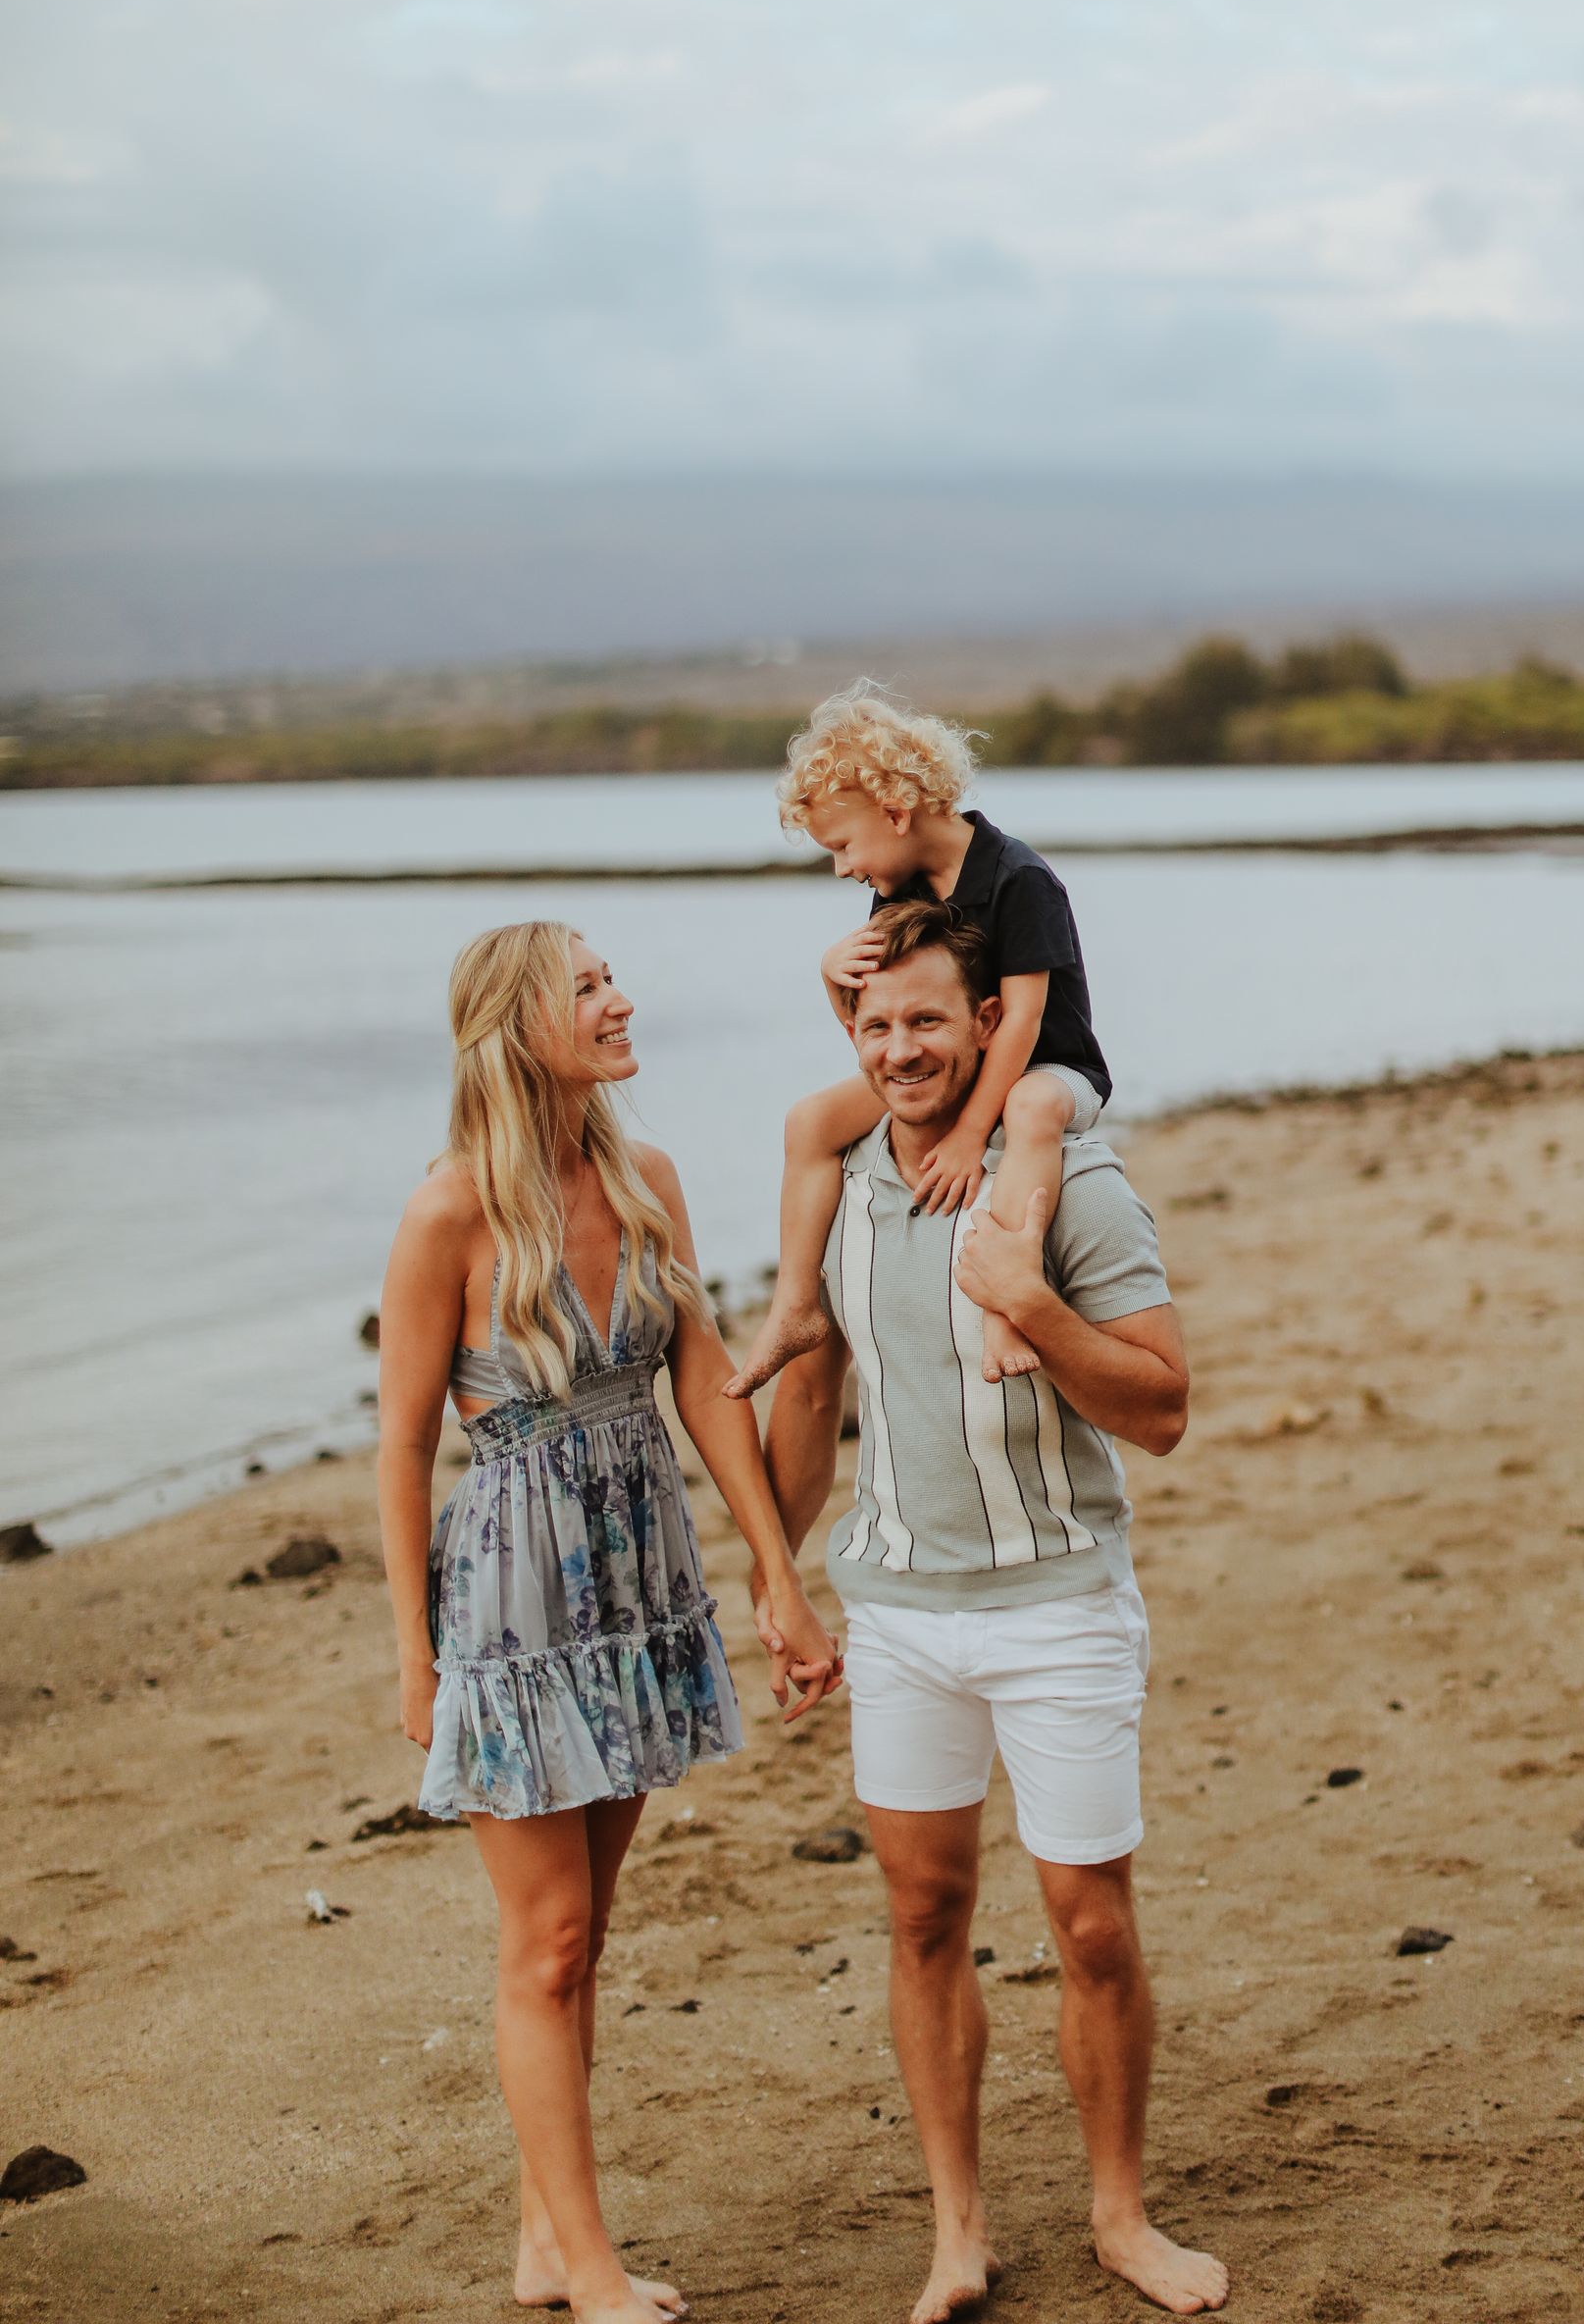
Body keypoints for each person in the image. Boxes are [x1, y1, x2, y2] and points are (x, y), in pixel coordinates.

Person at [741, 896, 1229, 2324]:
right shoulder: (838, 1178)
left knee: (1089, 1925)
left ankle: (1122, 2216)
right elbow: (816, 1387)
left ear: (985, 1029)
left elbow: (1165, 1409)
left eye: (930, 1024)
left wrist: (1032, 1299)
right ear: (854, 1032)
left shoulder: (1073, 1186)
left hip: (1059, 1604)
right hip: (896, 1615)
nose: (903, 1050)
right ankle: (958, 2231)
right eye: (878, 1026)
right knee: (924, 1914)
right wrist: (777, 1574)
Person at [377, 920, 841, 2324]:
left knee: (588, 1932)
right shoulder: (449, 1212)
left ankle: (541, 2237)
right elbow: (400, 1447)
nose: (620, 998)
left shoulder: (648, 1183)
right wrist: (415, 1650)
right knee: (551, 1942)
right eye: (587, 986)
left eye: (610, 977)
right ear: (519, 1029)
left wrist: (775, 1572)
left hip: (639, 1587)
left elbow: (704, 1385)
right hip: (514, 1605)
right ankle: (585, 2273)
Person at [730, 682, 1111, 1395]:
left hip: (1050, 1069)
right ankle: (793, 1306)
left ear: (897, 811)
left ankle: (1006, 1301)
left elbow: (1025, 1020)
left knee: (1028, 1110)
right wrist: (826, 973)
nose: (843, 868)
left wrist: (970, 1135)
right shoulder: (897, 892)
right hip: (955, 1068)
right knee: (810, 1122)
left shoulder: (1019, 879)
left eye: (842, 846)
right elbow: (876, 1029)